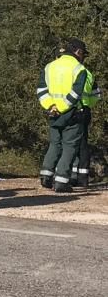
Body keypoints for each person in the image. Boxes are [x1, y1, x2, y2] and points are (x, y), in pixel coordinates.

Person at [38, 38, 89, 193]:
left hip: (52, 113)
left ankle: (46, 177)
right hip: (72, 113)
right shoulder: (79, 69)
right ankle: (61, 181)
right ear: (78, 52)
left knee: (55, 144)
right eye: (83, 54)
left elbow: (41, 90)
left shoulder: (49, 67)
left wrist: (51, 106)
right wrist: (62, 108)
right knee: (70, 146)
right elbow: (75, 93)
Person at [72, 60, 101, 188]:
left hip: (71, 109)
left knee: (69, 143)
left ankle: (70, 175)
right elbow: (97, 94)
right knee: (83, 143)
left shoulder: (71, 71)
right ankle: (83, 177)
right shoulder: (88, 73)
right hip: (85, 110)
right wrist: (88, 104)